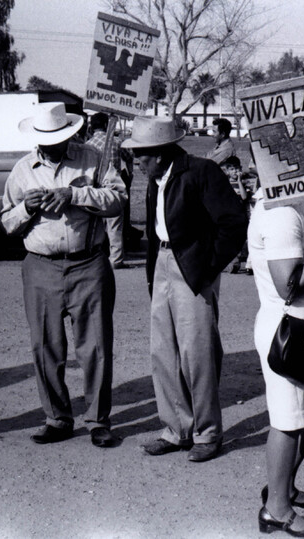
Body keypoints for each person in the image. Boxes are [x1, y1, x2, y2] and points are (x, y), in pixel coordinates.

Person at [121, 116, 248, 463]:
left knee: (198, 354)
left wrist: (208, 267)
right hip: (162, 264)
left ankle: (207, 432)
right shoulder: (156, 178)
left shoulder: (201, 172)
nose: (138, 161)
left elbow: (234, 223)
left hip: (193, 269)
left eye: (142, 154)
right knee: (163, 352)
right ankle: (176, 429)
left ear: (161, 153)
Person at [0, 102, 126, 448]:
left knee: (95, 345)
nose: (49, 145)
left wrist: (74, 194)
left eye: (56, 138)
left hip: (89, 263)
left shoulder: (92, 159)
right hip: (40, 266)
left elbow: (117, 200)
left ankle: (99, 420)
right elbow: (7, 222)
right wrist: (28, 206)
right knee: (46, 345)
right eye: (44, 139)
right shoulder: (23, 170)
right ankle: (57, 417)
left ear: (68, 135)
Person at [248, 186, 304, 537]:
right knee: (289, 421)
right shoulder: (281, 213)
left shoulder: (293, 203)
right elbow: (289, 284)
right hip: (291, 335)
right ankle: (276, 511)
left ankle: (281, 486)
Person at [85, 112, 135, 269]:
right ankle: (116, 259)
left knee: (95, 224)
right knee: (115, 225)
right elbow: (130, 157)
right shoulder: (116, 141)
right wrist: (130, 173)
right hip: (113, 187)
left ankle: (94, 256)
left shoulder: (87, 145)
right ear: (107, 125)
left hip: (94, 189)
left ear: (92, 127)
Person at [221, 155, 255, 274]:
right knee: (230, 239)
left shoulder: (244, 183)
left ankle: (244, 261)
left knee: (242, 239)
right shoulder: (224, 183)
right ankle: (234, 262)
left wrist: (240, 182)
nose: (234, 171)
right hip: (229, 216)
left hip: (241, 216)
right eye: (231, 169)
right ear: (227, 171)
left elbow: (244, 197)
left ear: (240, 169)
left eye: (236, 169)